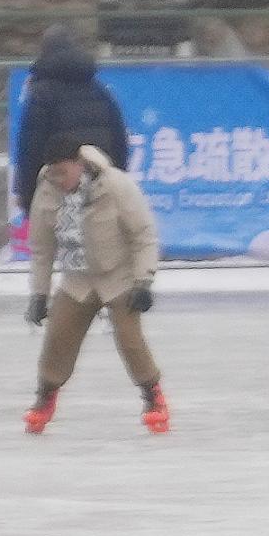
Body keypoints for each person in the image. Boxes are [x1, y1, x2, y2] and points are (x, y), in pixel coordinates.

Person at [21, 145, 168, 434]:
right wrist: (39, 294)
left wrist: (143, 281)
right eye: (53, 174)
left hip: (118, 276)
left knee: (130, 340)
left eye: (64, 173)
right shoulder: (48, 191)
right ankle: (45, 397)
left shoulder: (114, 185)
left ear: (79, 164)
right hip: (78, 279)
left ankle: (153, 396)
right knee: (58, 338)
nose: (59, 180)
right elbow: (41, 248)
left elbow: (143, 235)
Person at [13, 27, 130, 205]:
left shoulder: (40, 95)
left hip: (58, 192)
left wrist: (28, 198)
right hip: (101, 191)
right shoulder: (100, 91)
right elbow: (120, 143)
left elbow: (30, 150)